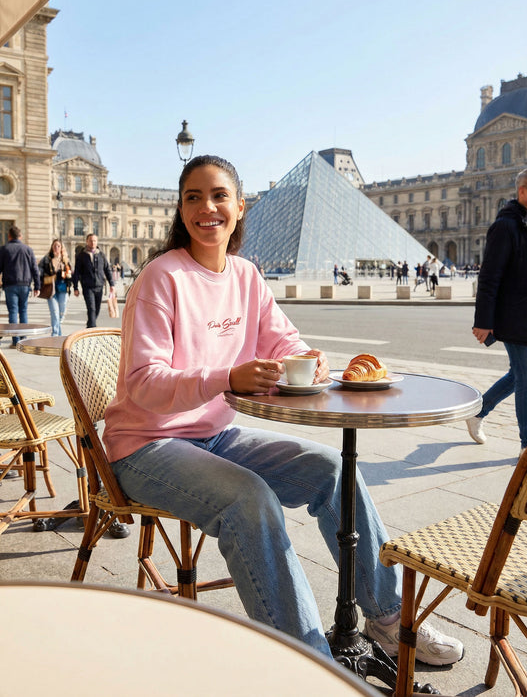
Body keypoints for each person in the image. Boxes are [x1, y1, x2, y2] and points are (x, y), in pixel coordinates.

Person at [103, 154, 462, 665]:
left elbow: (285, 342)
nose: (207, 207)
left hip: (215, 436)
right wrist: (227, 377)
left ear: (241, 206)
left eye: (219, 195)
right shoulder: (161, 279)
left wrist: (309, 361)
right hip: (145, 444)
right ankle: (308, 663)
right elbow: (141, 385)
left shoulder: (247, 276)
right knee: (249, 499)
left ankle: (387, 619)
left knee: (334, 469)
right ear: (181, 210)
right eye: (193, 197)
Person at [467, 167, 527, 456]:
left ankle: (478, 412)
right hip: (515, 316)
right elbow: (489, 276)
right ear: (523, 191)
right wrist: (484, 321)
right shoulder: (505, 227)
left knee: (520, 374)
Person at [0, 226, 40, 347]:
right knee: (23, 311)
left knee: (13, 311)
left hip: (10, 285)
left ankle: (15, 340)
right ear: (20, 236)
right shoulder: (28, 249)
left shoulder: (4, 249)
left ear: (9, 236)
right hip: (25, 285)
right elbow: (35, 269)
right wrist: (37, 286)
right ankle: (24, 339)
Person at [73, 234, 115, 328]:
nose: (93, 242)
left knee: (97, 309)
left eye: (95, 240)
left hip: (99, 286)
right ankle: (92, 329)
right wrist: (75, 287)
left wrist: (112, 284)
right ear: (87, 241)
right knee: (91, 308)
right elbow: (76, 272)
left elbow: (107, 269)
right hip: (87, 286)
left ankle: (89, 326)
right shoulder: (82, 255)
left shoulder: (101, 255)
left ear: (97, 242)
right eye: (91, 240)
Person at [39, 239, 73, 336]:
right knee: (54, 312)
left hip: (63, 287)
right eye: (55, 246)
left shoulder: (65, 259)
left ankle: (58, 333)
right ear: (52, 247)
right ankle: (55, 334)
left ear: (61, 248)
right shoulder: (47, 258)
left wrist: (68, 275)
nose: (56, 248)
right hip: (51, 287)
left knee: (61, 312)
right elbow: (39, 269)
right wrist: (43, 276)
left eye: (58, 246)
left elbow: (70, 273)